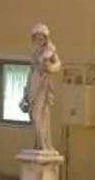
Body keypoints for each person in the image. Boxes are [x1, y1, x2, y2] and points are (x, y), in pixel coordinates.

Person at [21, 23, 64, 153]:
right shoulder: (34, 52)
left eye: (41, 37)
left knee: (38, 115)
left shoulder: (50, 50)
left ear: (46, 38)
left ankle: (43, 144)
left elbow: (58, 65)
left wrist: (50, 67)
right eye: (37, 38)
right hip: (34, 83)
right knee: (33, 114)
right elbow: (31, 71)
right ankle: (39, 143)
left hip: (43, 83)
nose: (39, 40)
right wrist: (25, 92)